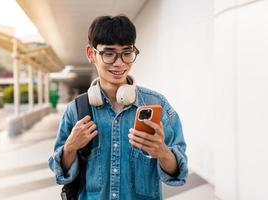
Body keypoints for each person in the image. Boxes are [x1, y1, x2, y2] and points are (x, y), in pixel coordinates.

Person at [48, 15, 188, 200]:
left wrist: (162, 152)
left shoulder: (157, 105)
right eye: (109, 53)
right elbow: (61, 173)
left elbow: (178, 174)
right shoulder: (75, 111)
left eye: (127, 53)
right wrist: (70, 148)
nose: (120, 63)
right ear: (91, 54)